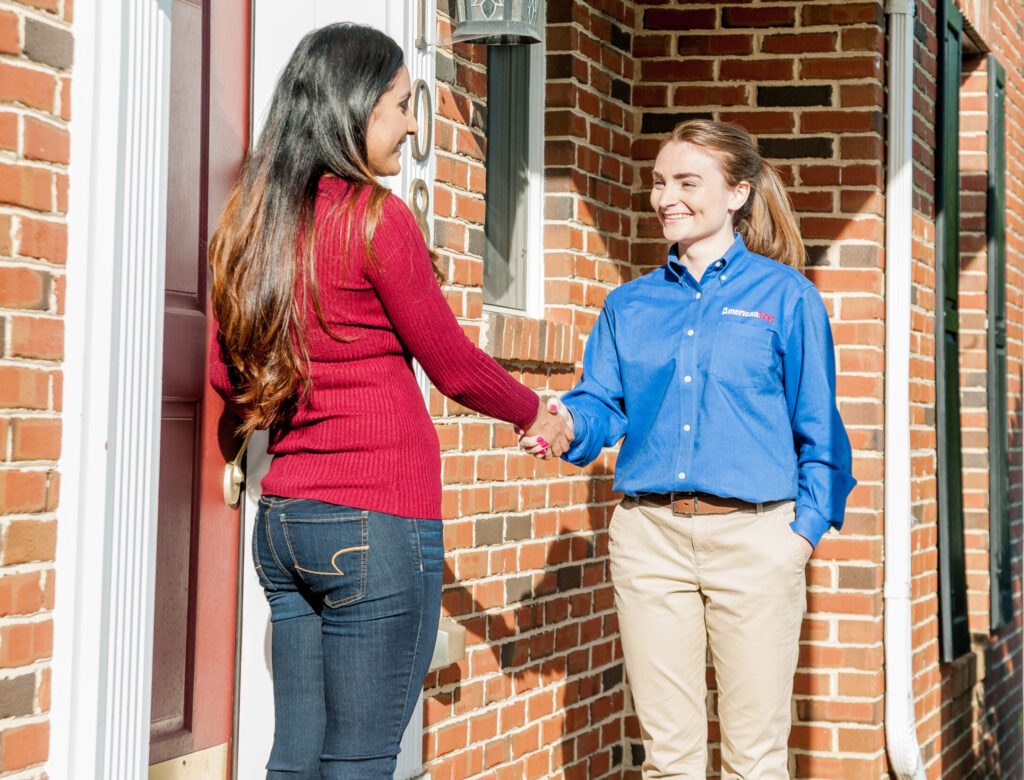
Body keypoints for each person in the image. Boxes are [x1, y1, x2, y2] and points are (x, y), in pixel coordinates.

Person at [208, 24, 570, 779]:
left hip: (284, 528)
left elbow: (224, 370)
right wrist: (536, 411)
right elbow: (453, 364)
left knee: (295, 757)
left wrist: (277, 411)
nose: (411, 125)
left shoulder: (251, 221)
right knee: (362, 761)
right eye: (402, 105)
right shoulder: (374, 218)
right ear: (354, 106)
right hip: (374, 523)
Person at [522, 120, 855, 778]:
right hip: (650, 542)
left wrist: (801, 536)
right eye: (658, 182)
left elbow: (820, 429)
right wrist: (562, 420)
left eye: (685, 182)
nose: (664, 197)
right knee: (669, 761)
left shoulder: (786, 298)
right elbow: (602, 405)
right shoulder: (630, 305)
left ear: (737, 193)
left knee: (754, 761)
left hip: (757, 541)